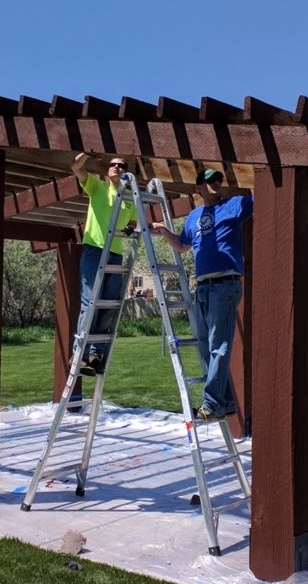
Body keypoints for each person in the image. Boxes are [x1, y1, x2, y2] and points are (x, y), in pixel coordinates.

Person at [150, 169, 253, 421]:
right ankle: (226, 403)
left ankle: (212, 403)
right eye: (210, 181)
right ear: (199, 188)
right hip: (203, 287)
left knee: (220, 346)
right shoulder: (194, 216)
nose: (217, 183)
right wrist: (164, 231)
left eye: (218, 180)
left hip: (225, 283)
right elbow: (184, 246)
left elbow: (265, 197)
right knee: (207, 347)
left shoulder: (235, 205)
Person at [70, 152, 138, 375]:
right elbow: (76, 168)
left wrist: (131, 227)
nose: (116, 167)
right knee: (90, 302)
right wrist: (86, 154)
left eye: (121, 165)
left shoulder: (129, 198)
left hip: (115, 254)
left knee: (109, 305)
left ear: (126, 171)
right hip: (94, 250)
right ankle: (79, 353)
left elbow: (133, 221)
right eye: (112, 165)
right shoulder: (97, 187)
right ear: (107, 170)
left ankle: (95, 354)